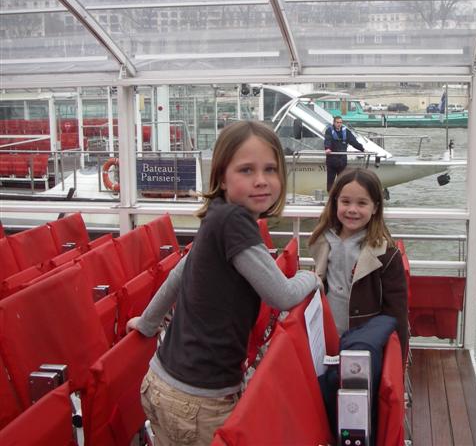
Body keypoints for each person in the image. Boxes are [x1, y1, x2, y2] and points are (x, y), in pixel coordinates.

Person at [127, 121, 319, 446]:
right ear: (222, 178)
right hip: (199, 402)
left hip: (161, 382)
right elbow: (282, 295)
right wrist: (311, 278)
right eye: (246, 170)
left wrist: (147, 323)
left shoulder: (217, 215)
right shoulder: (234, 222)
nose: (261, 180)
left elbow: (178, 275)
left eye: (270, 169)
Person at [308, 168, 408, 356]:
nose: (352, 209)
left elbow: (397, 312)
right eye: (345, 202)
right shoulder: (324, 241)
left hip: (365, 343)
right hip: (326, 336)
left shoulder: (387, 254)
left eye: (362, 203)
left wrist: (398, 358)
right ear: (335, 202)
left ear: (375, 207)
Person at [324, 115, 365, 191]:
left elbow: (353, 142)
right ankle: (330, 194)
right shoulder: (329, 131)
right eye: (337, 122)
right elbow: (327, 140)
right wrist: (327, 148)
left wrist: (362, 149)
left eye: (340, 122)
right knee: (330, 181)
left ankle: (340, 194)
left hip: (342, 161)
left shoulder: (346, 131)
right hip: (332, 160)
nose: (339, 124)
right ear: (334, 123)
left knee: (342, 181)